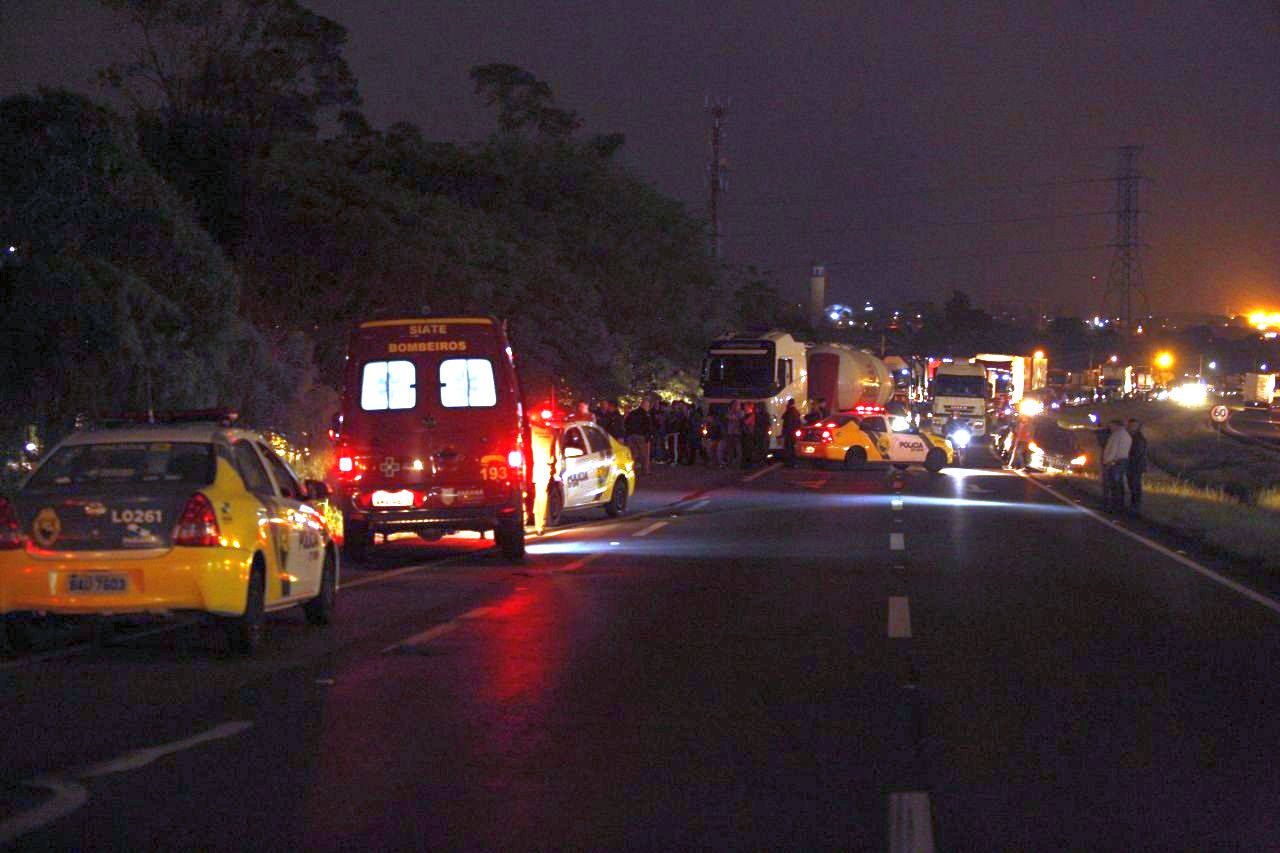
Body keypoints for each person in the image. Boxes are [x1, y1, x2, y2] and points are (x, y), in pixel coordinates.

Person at [1101, 418, 1132, 513]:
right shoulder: (1126, 435)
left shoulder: (1117, 435)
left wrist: (1107, 461)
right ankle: (1119, 505)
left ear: (1116, 425)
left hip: (1115, 462)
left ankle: (1115, 506)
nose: (1110, 428)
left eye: (1111, 426)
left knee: (1114, 484)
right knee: (1119, 484)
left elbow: (1112, 449)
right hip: (1122, 461)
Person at [624, 398, 655, 474]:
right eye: (647, 406)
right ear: (645, 405)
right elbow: (648, 426)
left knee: (633, 454)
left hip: (631, 435)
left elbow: (626, 422)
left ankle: (631, 470)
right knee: (644, 454)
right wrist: (649, 436)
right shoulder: (645, 414)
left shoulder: (633, 413)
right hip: (641, 435)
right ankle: (646, 470)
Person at [1126, 418, 1147, 510]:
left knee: (1135, 484)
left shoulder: (1139, 438)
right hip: (1131, 464)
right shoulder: (1130, 436)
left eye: (1134, 426)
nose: (1131, 427)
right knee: (1131, 484)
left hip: (1136, 465)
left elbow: (1137, 452)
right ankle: (1134, 503)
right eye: (1130, 425)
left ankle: (1136, 504)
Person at [782, 398, 801, 467]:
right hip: (794, 432)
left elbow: (785, 420)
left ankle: (789, 462)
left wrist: (784, 433)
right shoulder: (796, 411)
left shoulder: (789, 411)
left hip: (789, 432)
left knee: (788, 447)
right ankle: (793, 462)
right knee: (792, 447)